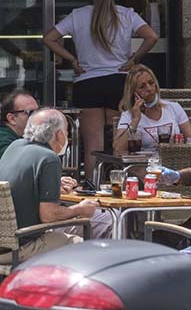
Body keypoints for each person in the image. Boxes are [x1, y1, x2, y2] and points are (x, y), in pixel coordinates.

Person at [42, 0, 158, 182]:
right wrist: (133, 59)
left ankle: (93, 190)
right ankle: (121, 188)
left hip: (88, 83)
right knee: (120, 143)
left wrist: (72, 59)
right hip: (119, 82)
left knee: (93, 145)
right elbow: (151, 36)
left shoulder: (78, 16)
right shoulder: (126, 14)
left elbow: (48, 38)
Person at [0, 109, 111, 263]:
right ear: (59, 134)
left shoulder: (15, 147)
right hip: (22, 245)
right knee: (88, 247)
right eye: (66, 131)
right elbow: (48, 215)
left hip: (6, 242)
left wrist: (53, 184)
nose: (67, 137)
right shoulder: (49, 158)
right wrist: (80, 209)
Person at [113, 66, 191, 153]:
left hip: (173, 161)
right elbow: (118, 149)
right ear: (133, 93)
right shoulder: (129, 115)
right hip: (144, 164)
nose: (149, 88)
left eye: (151, 83)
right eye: (142, 87)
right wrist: (135, 120)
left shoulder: (173, 108)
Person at [0, 90, 40, 161]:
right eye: (31, 112)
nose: (38, 117)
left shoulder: (19, 138)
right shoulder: (5, 141)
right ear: (12, 119)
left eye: (38, 112)